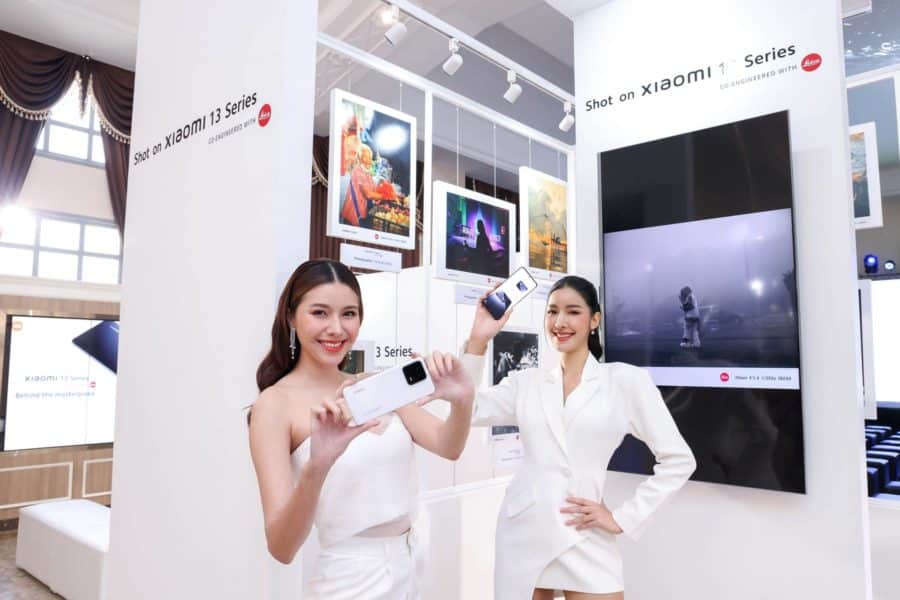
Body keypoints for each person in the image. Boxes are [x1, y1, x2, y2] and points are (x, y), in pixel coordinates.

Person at [457, 275, 696, 600]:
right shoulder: (526, 382)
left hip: (584, 531)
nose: (560, 322)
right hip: (525, 530)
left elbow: (679, 459)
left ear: (594, 320)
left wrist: (622, 518)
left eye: (573, 311)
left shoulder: (625, 381)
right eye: (552, 311)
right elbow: (467, 410)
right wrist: (478, 340)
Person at [248, 259, 475, 599]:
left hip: (410, 565)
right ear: (291, 317)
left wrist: (463, 400)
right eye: (320, 313)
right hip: (349, 581)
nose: (336, 328)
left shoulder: (373, 385)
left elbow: (448, 445)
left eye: (349, 314)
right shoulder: (274, 405)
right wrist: (318, 465)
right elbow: (281, 547)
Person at [341, 145, 392, 228]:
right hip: (353, 215)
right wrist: (386, 196)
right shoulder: (358, 171)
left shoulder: (367, 173)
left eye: (370, 157)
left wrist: (384, 188)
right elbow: (368, 194)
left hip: (362, 215)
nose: (369, 160)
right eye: (366, 157)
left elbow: (374, 191)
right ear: (360, 158)